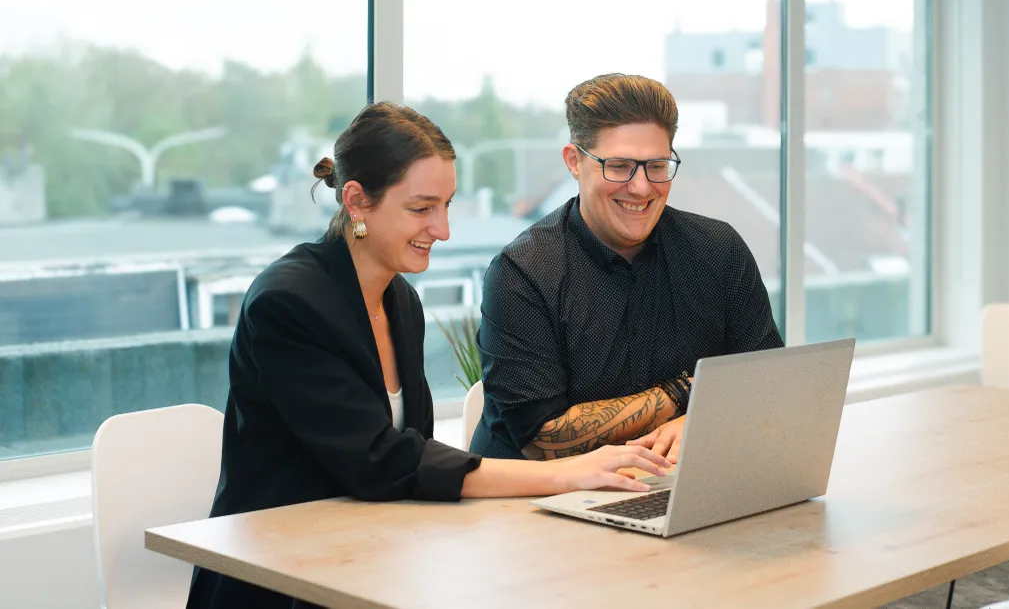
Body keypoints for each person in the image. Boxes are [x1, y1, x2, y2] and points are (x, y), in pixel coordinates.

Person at [185, 102, 671, 609]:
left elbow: (406, 453)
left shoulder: (399, 299)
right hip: (278, 583)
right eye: (421, 208)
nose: (442, 229)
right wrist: (564, 474)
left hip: (364, 563)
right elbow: (383, 461)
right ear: (356, 201)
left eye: (446, 205)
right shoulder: (288, 303)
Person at [470, 74, 784, 463]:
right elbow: (542, 439)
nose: (641, 187)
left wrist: (694, 423)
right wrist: (685, 394)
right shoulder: (522, 273)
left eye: (656, 165)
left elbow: (769, 383)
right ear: (574, 161)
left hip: (673, 489)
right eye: (618, 166)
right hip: (534, 509)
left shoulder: (719, 251)